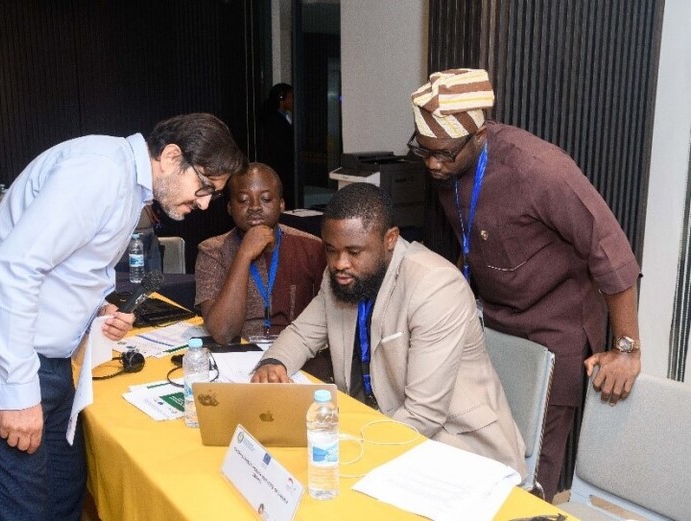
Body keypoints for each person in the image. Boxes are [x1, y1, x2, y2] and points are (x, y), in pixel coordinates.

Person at [0, 113, 247, 521]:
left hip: (40, 361)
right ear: (171, 156)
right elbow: (16, 267)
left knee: (63, 495)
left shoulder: (124, 185)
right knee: (18, 510)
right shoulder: (100, 173)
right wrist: (18, 393)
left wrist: (97, 309)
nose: (204, 203)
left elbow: (68, 267)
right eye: (204, 186)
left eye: (213, 194)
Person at [409, 68, 641, 499]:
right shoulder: (446, 163)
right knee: (481, 449)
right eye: (423, 152)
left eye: (442, 154)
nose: (433, 165)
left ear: (479, 136)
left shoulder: (539, 170)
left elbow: (612, 252)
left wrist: (627, 348)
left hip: (554, 329)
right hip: (491, 323)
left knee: (533, 473)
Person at [251, 183, 527, 476]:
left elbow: (424, 414)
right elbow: (302, 334)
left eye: (354, 251)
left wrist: (354, 450)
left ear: (390, 239)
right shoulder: (344, 277)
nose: (339, 263)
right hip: (380, 430)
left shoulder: (434, 286)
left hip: (456, 449)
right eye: (331, 250)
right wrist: (273, 363)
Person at [195, 162, 332, 380]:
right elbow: (222, 332)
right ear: (230, 207)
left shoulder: (312, 247)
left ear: (281, 204)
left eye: (266, 199)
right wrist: (243, 255)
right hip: (237, 359)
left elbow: (326, 324)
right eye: (243, 200)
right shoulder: (213, 251)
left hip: (297, 360)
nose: (255, 207)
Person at [258, 83, 295, 209]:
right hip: (280, 170)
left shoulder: (286, 117)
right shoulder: (274, 121)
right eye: (291, 97)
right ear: (281, 98)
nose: (293, 101)